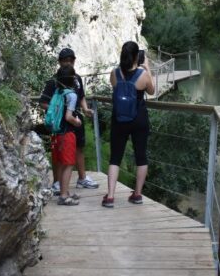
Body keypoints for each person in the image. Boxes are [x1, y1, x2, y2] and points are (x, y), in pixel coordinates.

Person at [102, 41, 155, 208]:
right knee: (141, 156)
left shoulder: (114, 73)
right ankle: (137, 194)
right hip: (139, 119)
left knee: (115, 158)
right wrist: (147, 68)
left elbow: (116, 89)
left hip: (119, 119)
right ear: (136, 57)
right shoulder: (143, 75)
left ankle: (110, 197)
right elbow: (152, 91)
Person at [39, 48, 99, 192]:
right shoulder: (54, 81)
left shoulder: (76, 78)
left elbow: (82, 96)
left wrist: (85, 109)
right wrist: (59, 110)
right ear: (59, 62)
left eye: (71, 60)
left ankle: (82, 179)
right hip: (61, 124)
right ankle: (57, 183)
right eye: (65, 60)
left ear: (74, 61)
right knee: (58, 153)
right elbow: (43, 102)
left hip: (76, 120)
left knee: (79, 148)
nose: (68, 63)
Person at [50, 65, 83, 206]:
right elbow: (69, 116)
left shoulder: (58, 92)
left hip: (56, 133)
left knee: (62, 163)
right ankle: (64, 196)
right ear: (71, 79)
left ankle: (65, 191)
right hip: (67, 134)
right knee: (69, 164)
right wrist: (77, 122)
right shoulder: (71, 95)